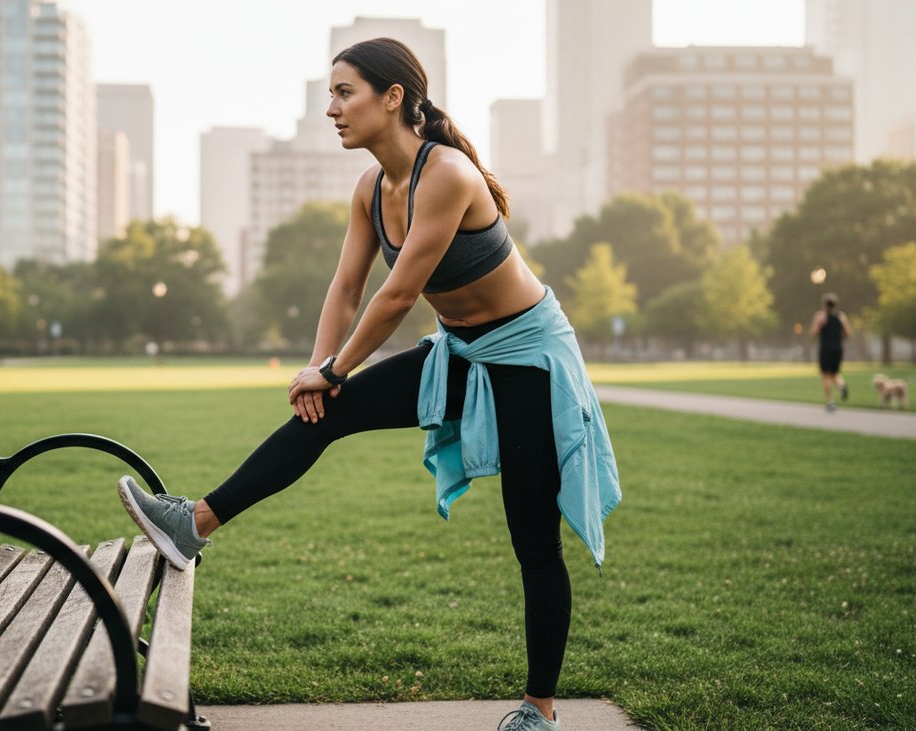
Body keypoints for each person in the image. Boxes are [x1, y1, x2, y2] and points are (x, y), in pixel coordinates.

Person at [117, 38, 620, 731]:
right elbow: (347, 287)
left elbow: (398, 295)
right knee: (327, 414)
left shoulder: (446, 174)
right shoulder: (369, 189)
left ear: (393, 98)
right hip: (461, 350)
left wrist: (333, 369)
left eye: (344, 92)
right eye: (330, 94)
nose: (332, 108)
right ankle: (194, 524)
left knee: (532, 537)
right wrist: (319, 371)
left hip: (527, 359)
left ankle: (539, 711)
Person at [810, 293, 851, 412]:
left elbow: (814, 332)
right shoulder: (841, 316)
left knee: (826, 376)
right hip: (838, 349)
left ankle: (831, 402)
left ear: (824, 304)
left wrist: (821, 327)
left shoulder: (821, 316)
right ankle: (841, 385)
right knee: (835, 373)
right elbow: (847, 333)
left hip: (826, 349)